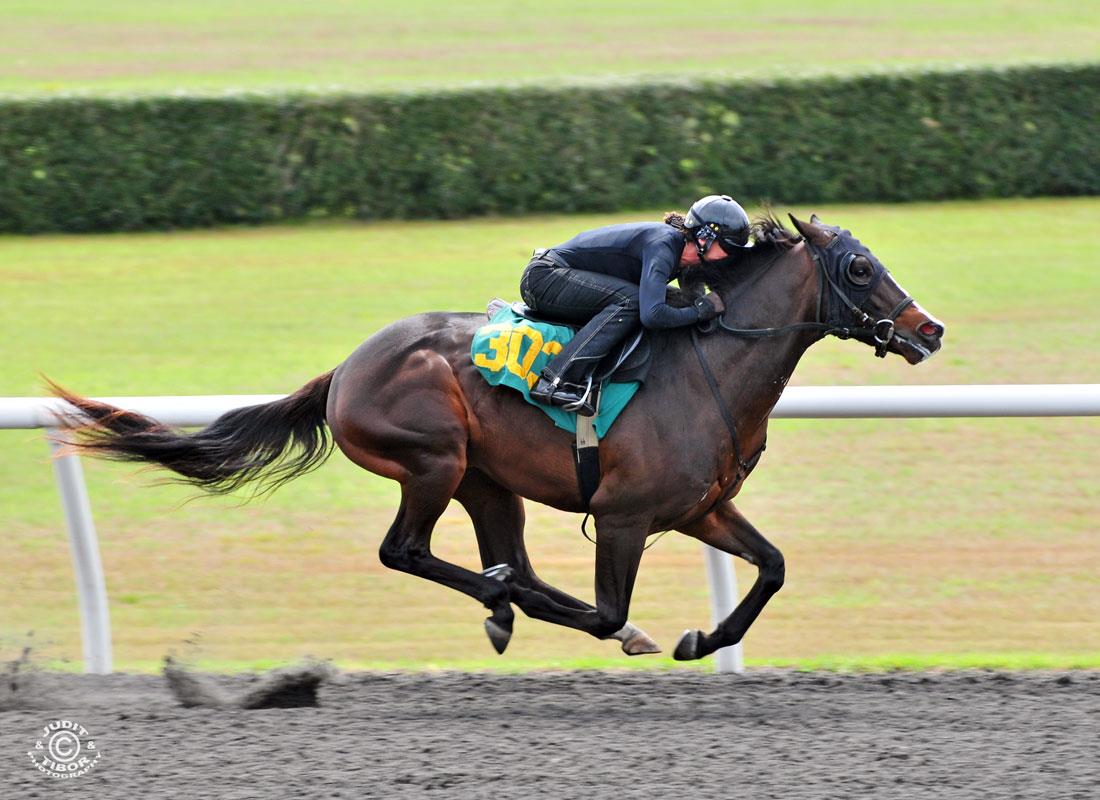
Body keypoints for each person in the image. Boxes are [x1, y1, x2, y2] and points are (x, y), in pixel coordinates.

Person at [520, 194, 751, 416]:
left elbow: (691, 301)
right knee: (632, 301)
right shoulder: (663, 245)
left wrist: (705, 308)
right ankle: (555, 381)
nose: (733, 256)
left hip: (559, 278)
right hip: (544, 278)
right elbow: (652, 315)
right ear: (704, 238)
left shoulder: (685, 257)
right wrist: (700, 312)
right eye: (730, 248)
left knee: (654, 299)